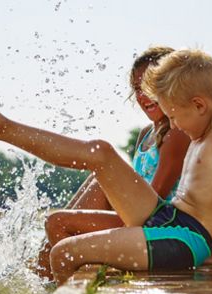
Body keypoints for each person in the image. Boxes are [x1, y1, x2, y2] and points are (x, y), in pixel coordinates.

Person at [0, 49, 212, 285]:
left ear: (198, 104)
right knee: (101, 152)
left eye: (173, 116)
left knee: (63, 253)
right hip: (170, 217)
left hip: (185, 239)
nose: (173, 124)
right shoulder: (204, 129)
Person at [35, 47, 191, 280]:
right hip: (138, 217)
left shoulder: (176, 133)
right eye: (138, 88)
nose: (143, 95)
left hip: (157, 226)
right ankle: (41, 278)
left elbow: (155, 202)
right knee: (97, 181)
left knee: (58, 222)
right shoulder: (147, 134)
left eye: (152, 85)